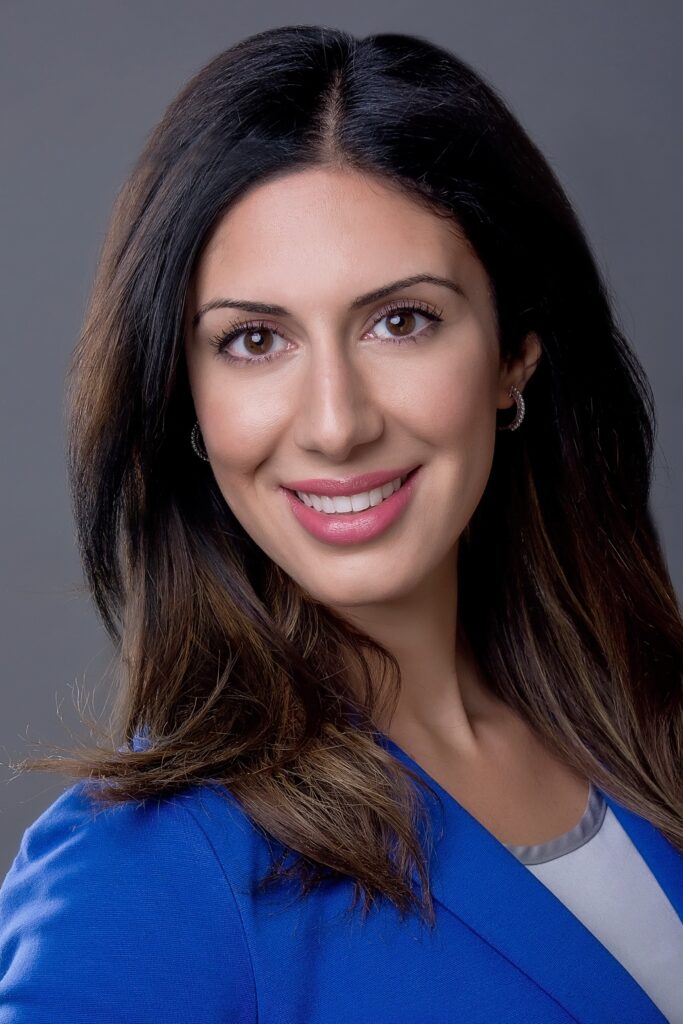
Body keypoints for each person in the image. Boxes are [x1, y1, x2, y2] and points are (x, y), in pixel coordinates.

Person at [0, 23, 681, 1024]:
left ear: (512, 355)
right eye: (253, 340)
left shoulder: (647, 716)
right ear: (182, 397)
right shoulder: (141, 884)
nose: (334, 421)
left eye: (400, 320)